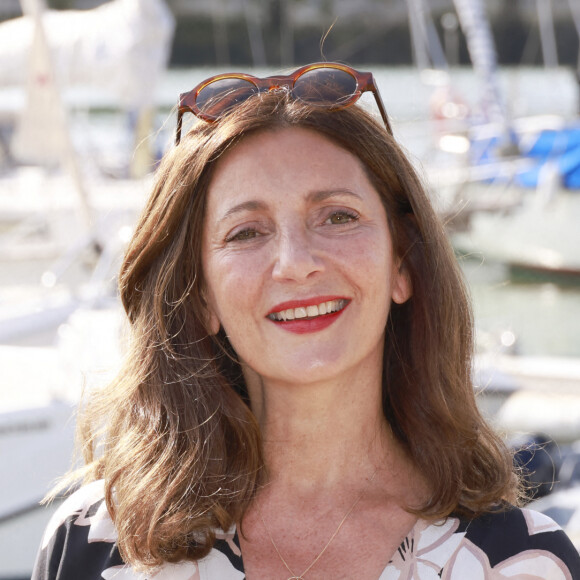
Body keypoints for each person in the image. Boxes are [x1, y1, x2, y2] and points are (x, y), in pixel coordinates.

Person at [32, 63, 580, 580]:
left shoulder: (521, 562)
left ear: (402, 264)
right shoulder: (100, 545)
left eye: (338, 217)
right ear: (201, 297)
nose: (296, 263)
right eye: (246, 231)